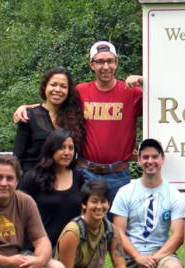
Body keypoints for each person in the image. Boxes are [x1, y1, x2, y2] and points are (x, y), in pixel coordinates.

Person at [14, 41, 143, 200]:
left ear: (116, 63)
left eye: (110, 61)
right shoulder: (81, 91)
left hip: (118, 175)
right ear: (91, 65)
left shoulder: (132, 93)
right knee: (82, 223)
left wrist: (145, 80)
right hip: (85, 173)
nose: (105, 66)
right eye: (99, 61)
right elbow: (55, 101)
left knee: (117, 224)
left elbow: (162, 101)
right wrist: (26, 108)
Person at [50, 181, 146, 268]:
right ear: (84, 204)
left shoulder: (111, 229)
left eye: (103, 202)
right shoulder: (73, 231)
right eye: (94, 202)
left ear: (109, 204)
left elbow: (120, 267)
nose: (99, 206)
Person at [111, 138, 185, 268]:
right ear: (138, 159)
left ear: (162, 159)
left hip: (160, 255)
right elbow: (118, 231)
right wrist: (138, 258)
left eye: (154, 157)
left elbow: (178, 235)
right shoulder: (125, 192)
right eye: (145, 157)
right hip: (131, 256)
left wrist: (152, 260)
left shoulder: (173, 194)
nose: (150, 161)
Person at [19, 129, 85, 249]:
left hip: (70, 249)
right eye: (61, 147)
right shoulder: (33, 178)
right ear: (51, 149)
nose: (67, 152)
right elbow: (18, 213)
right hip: (37, 249)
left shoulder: (78, 177)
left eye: (71, 148)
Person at [13, 67, 85, 175]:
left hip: (63, 183)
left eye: (63, 86)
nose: (57, 90)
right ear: (45, 87)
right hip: (32, 182)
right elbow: (17, 156)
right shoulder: (29, 116)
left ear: (68, 91)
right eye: (53, 84)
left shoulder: (74, 118)